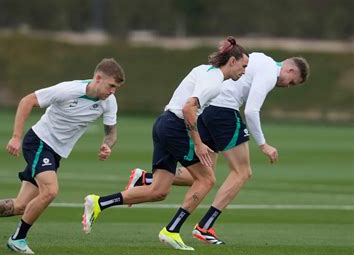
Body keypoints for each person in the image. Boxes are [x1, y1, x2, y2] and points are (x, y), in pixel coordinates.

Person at [82, 37, 249, 251]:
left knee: (158, 191)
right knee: (207, 179)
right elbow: (189, 108)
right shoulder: (215, 80)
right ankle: (171, 230)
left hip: (164, 123)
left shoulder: (206, 70)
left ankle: (98, 203)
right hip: (174, 127)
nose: (244, 72)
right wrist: (198, 143)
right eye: (243, 66)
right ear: (232, 61)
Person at [126, 53, 310, 244]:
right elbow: (251, 110)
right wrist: (263, 144)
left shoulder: (259, 58)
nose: (288, 86)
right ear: (290, 69)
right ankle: (204, 226)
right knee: (242, 172)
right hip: (224, 111)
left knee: (204, 172)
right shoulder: (271, 72)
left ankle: (146, 178)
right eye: (292, 82)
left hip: (207, 110)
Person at [0, 58, 125, 254]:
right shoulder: (68, 90)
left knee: (20, 206)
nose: (112, 91)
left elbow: (111, 132)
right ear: (98, 78)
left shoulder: (109, 102)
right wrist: (16, 137)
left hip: (55, 153)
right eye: (111, 86)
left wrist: (107, 145)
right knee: (50, 191)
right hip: (39, 143)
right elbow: (27, 101)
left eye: (116, 88)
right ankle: (18, 239)